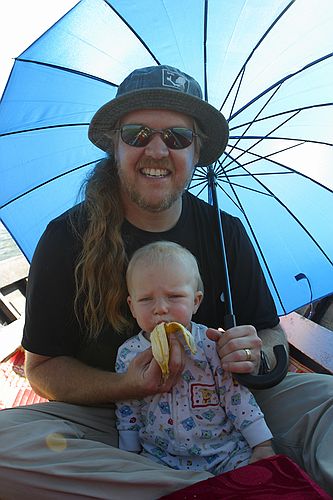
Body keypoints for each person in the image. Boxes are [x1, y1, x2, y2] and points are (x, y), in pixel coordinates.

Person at [0, 65, 331, 498]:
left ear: (197, 153)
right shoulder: (68, 238)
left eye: (177, 137)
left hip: (229, 405)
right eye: (138, 134)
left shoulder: (224, 230)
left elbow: (269, 332)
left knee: (327, 399)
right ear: (114, 146)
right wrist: (126, 386)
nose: (157, 150)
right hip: (116, 415)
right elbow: (43, 369)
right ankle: (226, 488)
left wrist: (256, 354)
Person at [116, 241, 275, 473]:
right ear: (132, 307)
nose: (160, 308)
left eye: (174, 296)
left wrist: (262, 444)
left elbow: (236, 397)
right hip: (159, 457)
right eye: (146, 299)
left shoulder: (211, 344)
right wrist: (128, 455)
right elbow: (127, 407)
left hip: (224, 452)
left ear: (196, 301)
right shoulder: (128, 354)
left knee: (256, 479)